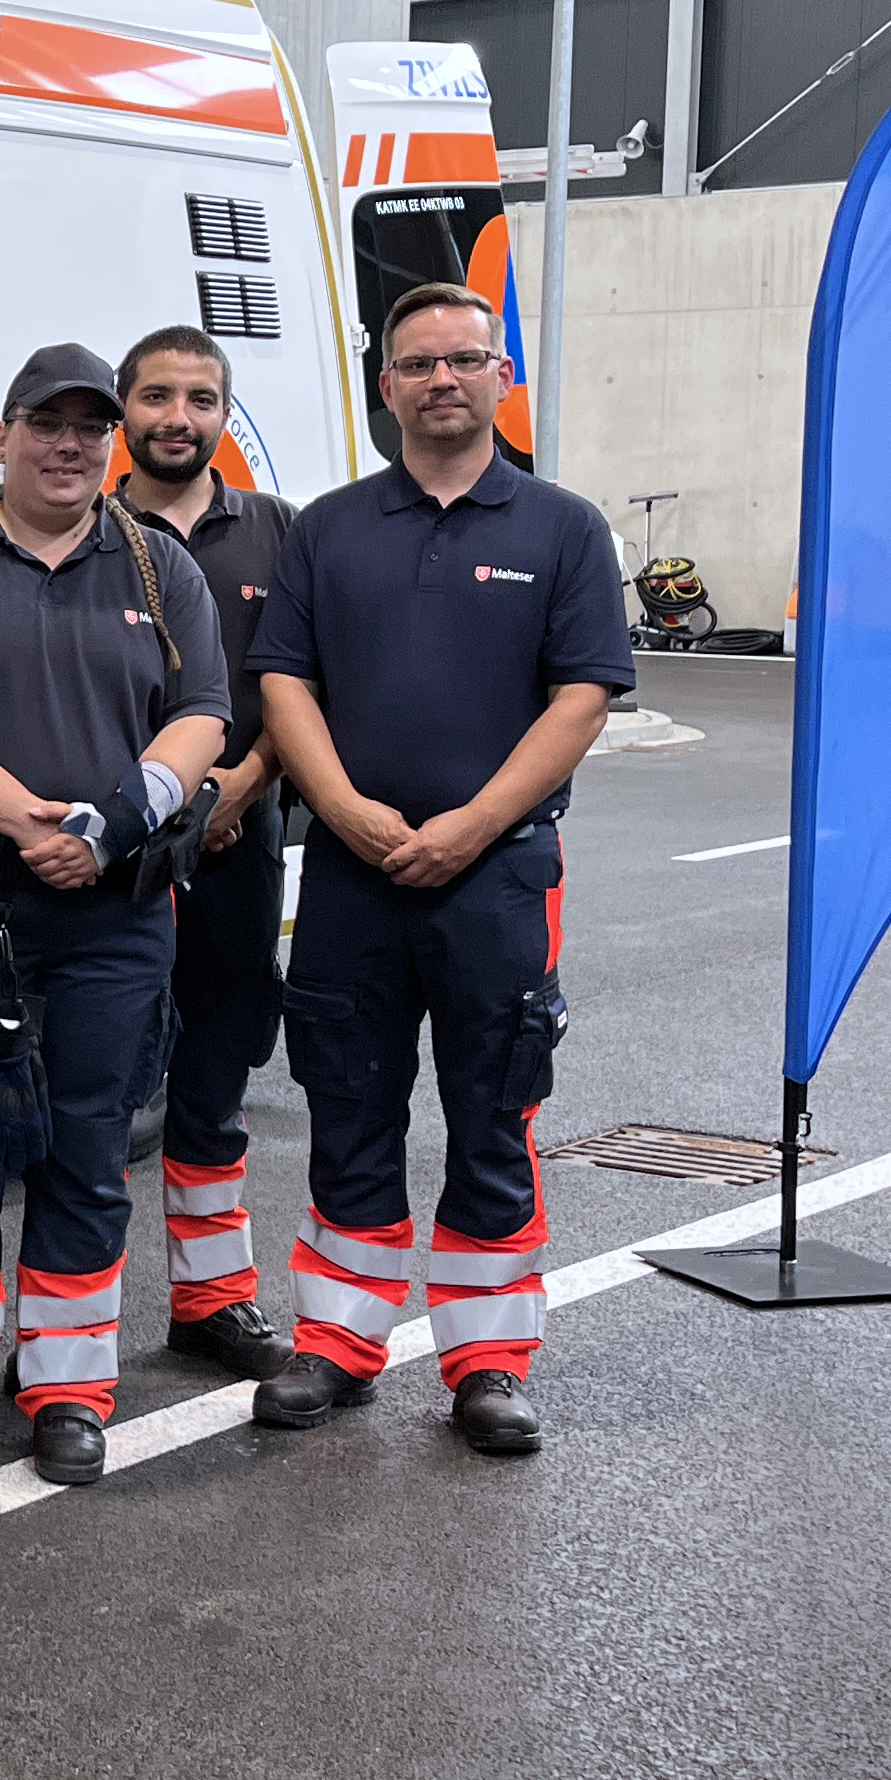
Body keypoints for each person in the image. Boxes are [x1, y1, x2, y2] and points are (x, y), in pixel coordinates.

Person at [245, 283, 629, 1457]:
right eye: (419, 365)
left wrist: (472, 823)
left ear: (500, 376)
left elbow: (583, 696)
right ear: (387, 385)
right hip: (356, 877)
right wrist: (345, 808)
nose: (442, 380)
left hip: (499, 876)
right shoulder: (331, 526)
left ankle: (490, 1363)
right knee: (348, 1102)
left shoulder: (562, 529)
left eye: (466, 360)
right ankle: (342, 1343)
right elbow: (283, 681)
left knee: (493, 1109)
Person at [0, 346, 230, 1490]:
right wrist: (32, 823)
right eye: (47, 425)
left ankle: (68, 1385)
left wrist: (114, 824)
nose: (70, 446)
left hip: (114, 921)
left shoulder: (162, 570)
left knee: (86, 1153)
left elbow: (205, 715)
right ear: (4, 434)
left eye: (91, 428)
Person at [111, 325, 302, 1381]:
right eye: (156, 397)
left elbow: (300, 688)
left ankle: (213, 1301)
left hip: (239, 841)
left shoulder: (277, 533)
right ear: (124, 409)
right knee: (96, 1088)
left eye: (199, 399)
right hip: (119, 858)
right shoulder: (89, 532)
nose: (177, 417)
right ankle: (68, 1327)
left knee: (213, 1083)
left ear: (225, 415)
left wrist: (241, 786)